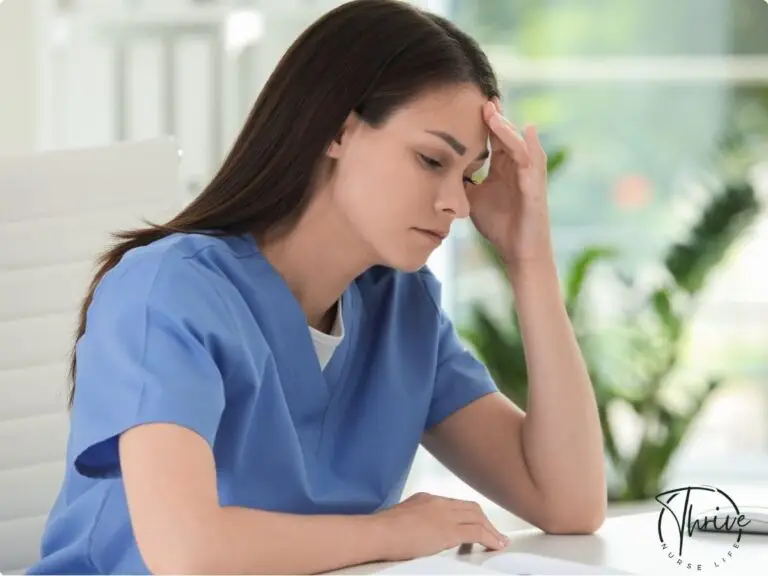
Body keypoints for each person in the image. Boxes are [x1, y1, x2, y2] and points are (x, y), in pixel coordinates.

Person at [28, 1, 607, 574]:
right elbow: (188, 553)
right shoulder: (169, 292)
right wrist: (390, 532)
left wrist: (528, 260)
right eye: (431, 159)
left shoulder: (400, 308)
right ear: (338, 129)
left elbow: (568, 502)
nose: (456, 204)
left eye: (469, 175)